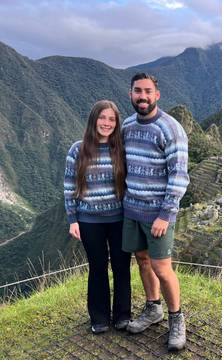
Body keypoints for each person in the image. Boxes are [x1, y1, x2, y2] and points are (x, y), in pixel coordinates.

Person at [122, 73, 189, 351]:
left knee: (162, 267)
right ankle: (153, 308)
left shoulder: (170, 128)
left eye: (148, 91)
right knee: (142, 260)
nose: (143, 96)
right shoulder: (126, 126)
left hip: (158, 214)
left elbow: (179, 176)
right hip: (132, 209)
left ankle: (177, 318)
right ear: (131, 94)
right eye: (138, 91)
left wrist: (165, 214)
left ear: (157, 95)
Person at [64, 100, 131, 334]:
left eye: (112, 119)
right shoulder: (77, 149)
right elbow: (70, 186)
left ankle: (123, 315)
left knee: (122, 266)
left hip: (119, 218)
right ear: (94, 119)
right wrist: (72, 218)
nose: (107, 123)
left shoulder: (120, 149)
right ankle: (99, 317)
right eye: (103, 118)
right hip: (89, 220)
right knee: (98, 267)